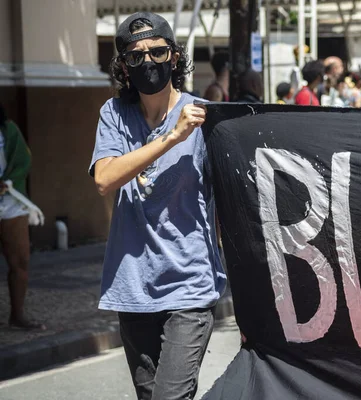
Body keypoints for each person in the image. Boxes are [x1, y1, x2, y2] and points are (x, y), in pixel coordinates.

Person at [91, 12, 226, 400]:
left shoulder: (202, 117)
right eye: (136, 57)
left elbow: (230, 203)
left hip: (190, 285)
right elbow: (104, 178)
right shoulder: (114, 115)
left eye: (158, 52)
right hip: (133, 286)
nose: (148, 62)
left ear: (175, 57)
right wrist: (170, 138)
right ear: (123, 67)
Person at [0, 104, 44, 331]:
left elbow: (23, 160)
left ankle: (17, 315)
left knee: (20, 260)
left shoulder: (8, 130)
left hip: (10, 201)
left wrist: (7, 181)